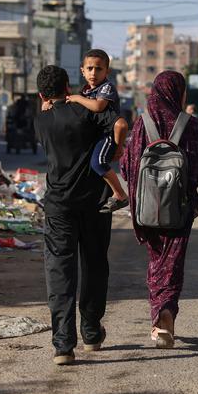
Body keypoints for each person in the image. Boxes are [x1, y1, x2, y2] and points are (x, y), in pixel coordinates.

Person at [34, 65, 128, 366]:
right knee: (95, 265)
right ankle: (91, 332)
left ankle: (63, 344)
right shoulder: (88, 113)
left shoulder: (41, 120)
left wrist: (48, 104)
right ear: (68, 87)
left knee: (60, 271)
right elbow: (120, 123)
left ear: (41, 95)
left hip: (58, 205)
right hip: (95, 203)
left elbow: (49, 112)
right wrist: (116, 150)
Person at [120, 71, 198, 349]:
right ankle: (166, 315)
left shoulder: (141, 124)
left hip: (146, 210)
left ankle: (160, 317)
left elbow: (126, 167)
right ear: (180, 93)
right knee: (171, 264)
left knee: (156, 263)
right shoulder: (189, 124)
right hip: (179, 209)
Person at [62, 49, 128, 213]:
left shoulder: (106, 88)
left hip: (108, 135)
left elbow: (98, 106)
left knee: (98, 163)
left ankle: (120, 194)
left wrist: (76, 98)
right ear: (82, 71)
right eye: (90, 68)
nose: (93, 73)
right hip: (97, 137)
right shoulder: (86, 91)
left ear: (107, 71)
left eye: (99, 69)